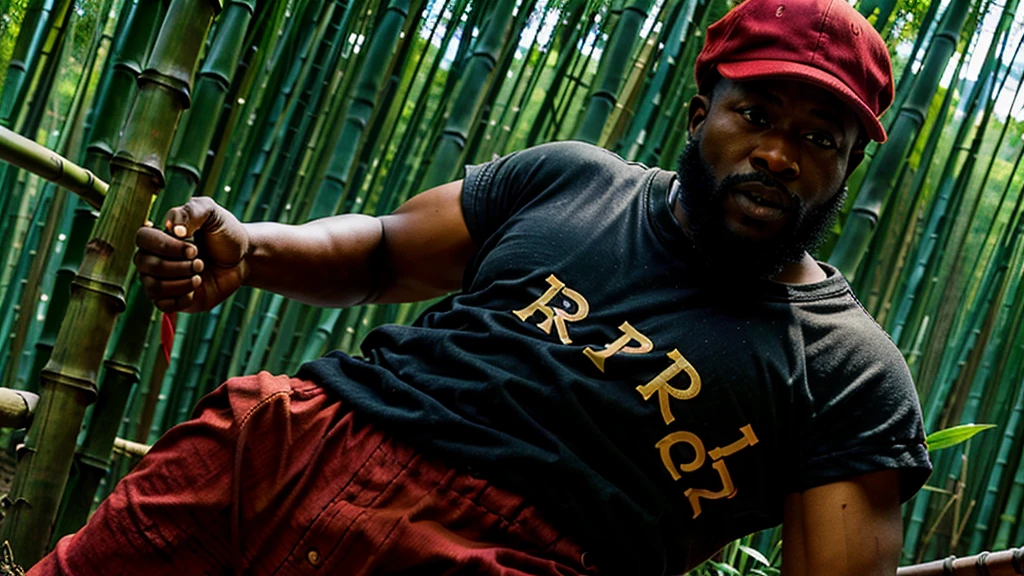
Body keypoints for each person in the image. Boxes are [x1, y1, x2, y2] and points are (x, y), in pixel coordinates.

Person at [29, 0, 933, 574]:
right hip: (279, 451)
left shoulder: (850, 372)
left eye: (819, 138)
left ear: (848, 167)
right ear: (703, 115)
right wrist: (255, 249)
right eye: (757, 114)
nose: (777, 152)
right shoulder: (573, 179)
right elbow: (383, 249)